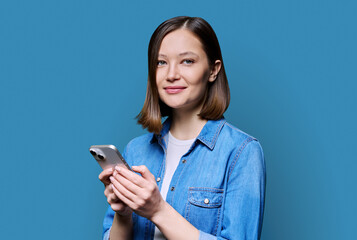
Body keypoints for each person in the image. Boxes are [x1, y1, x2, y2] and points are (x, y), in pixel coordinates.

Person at [99, 16, 266, 240]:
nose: (171, 75)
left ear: (213, 70)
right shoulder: (136, 150)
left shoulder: (241, 152)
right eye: (161, 62)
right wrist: (124, 214)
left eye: (187, 61)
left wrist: (158, 210)